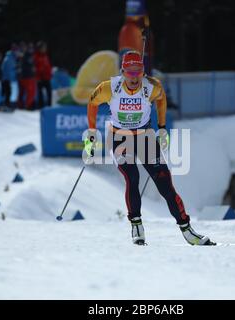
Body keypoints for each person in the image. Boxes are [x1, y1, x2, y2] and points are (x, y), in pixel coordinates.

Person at [85, 51, 214, 246]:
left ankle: (188, 231)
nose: (134, 77)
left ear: (143, 71)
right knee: (133, 177)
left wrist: (162, 128)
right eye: (130, 72)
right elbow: (92, 103)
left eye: (138, 71)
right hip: (120, 138)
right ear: (123, 71)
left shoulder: (152, 86)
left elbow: (161, 100)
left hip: (145, 136)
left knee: (165, 184)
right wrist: (92, 132)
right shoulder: (109, 88)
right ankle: (136, 225)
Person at [34, 41, 52, 108]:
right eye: (43, 48)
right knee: (40, 93)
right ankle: (40, 107)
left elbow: (48, 66)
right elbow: (35, 68)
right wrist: (37, 77)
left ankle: (49, 106)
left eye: (45, 47)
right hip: (40, 78)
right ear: (39, 48)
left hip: (47, 78)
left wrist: (50, 74)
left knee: (49, 92)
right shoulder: (36, 56)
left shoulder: (45, 56)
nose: (45, 49)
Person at [1, 44, 18, 109]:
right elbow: (9, 70)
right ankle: (6, 106)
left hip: (7, 78)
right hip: (7, 79)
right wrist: (12, 79)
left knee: (8, 92)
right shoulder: (10, 58)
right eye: (16, 51)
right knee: (7, 93)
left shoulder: (11, 57)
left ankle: (7, 105)